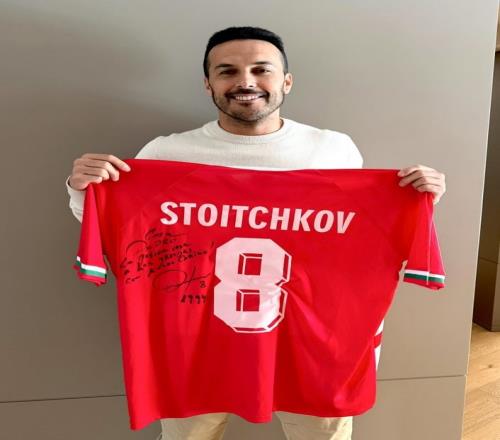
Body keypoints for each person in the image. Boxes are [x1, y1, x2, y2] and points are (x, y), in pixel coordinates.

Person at [66, 26, 446, 440]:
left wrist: (418, 202)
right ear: (208, 83)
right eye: (227, 71)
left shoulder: (333, 149)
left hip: (312, 342)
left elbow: (366, 236)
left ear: (286, 81)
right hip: (195, 342)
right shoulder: (165, 153)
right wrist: (85, 191)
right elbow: (126, 236)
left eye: (261, 70)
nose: (245, 81)